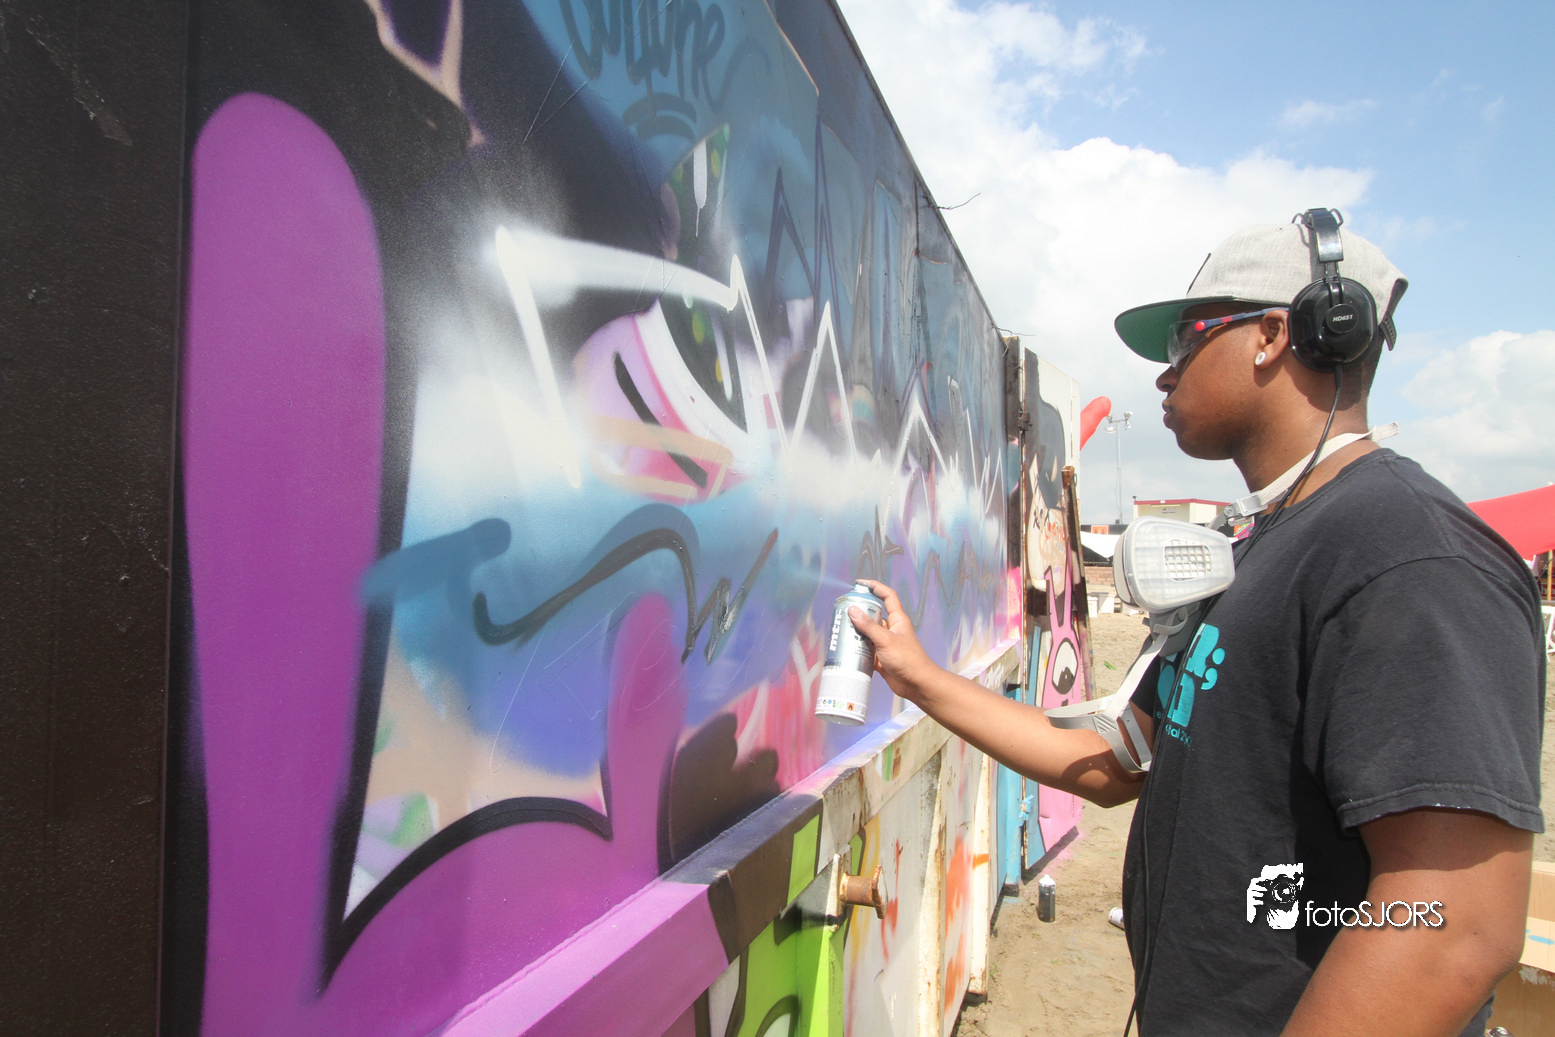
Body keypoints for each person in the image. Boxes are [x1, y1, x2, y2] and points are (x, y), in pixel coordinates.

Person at [850, 210, 1544, 1037]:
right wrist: (917, 676)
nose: (1164, 376)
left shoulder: (1405, 558)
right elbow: (1112, 760)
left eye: (1185, 340)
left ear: (1275, 336)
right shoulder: (1257, 549)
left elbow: (1451, 925)